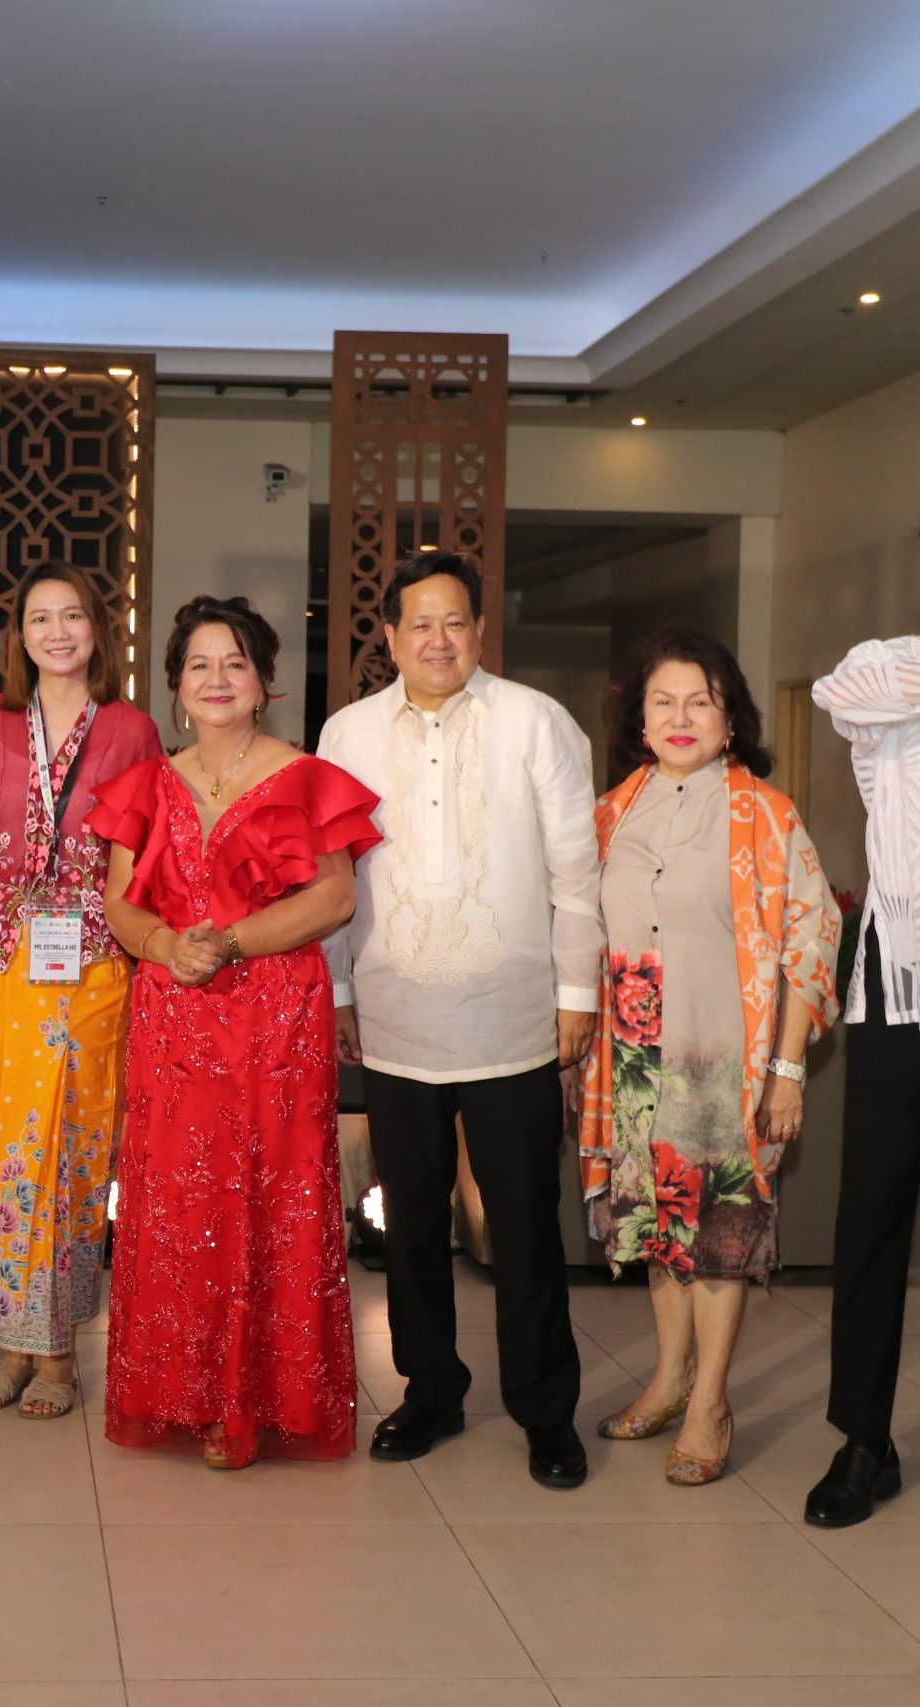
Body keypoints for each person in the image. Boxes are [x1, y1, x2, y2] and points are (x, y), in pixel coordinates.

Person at [317, 551, 601, 1490]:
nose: (437, 639)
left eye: (454, 621)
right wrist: (340, 991)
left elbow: (575, 871)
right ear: (389, 636)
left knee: (523, 1228)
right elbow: (333, 876)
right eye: (418, 623)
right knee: (408, 1227)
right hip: (395, 1017)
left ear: (478, 628)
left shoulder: (534, 721)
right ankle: (430, 1388)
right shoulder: (347, 733)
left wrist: (575, 994)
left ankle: (545, 1411)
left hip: (511, 1017)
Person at [87, 595, 380, 1469]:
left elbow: (335, 897)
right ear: (176, 685)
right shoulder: (146, 783)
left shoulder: (305, 776)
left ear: (263, 683)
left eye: (234, 664)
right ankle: (182, 1393)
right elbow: (118, 903)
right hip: (173, 1017)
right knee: (179, 1202)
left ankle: (254, 1402)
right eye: (199, 665)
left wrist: (229, 943)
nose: (216, 679)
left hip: (275, 1015)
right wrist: (163, 946)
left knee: (269, 1196)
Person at [581, 629, 839, 1485]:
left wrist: (787, 1071)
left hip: (725, 1058)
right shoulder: (610, 813)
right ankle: (667, 1378)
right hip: (633, 1057)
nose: (679, 716)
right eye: (663, 701)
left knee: (719, 1237)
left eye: (700, 701)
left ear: (730, 720)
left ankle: (709, 1405)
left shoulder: (764, 813)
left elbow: (812, 941)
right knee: (658, 1229)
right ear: (639, 720)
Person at [0, 563, 163, 1418]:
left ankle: (60, 1354)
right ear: (20, 634)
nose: (57, 631)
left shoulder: (131, 728)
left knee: (74, 1154)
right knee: (1, 1154)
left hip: (93, 965)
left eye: (72, 615)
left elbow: (145, 854)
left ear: (97, 629)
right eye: (40, 618)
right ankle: (11, 1345)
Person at [806, 634, 920, 1526]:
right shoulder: (888, 664)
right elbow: (836, 692)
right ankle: (863, 1440)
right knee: (873, 1206)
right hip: (902, 974)